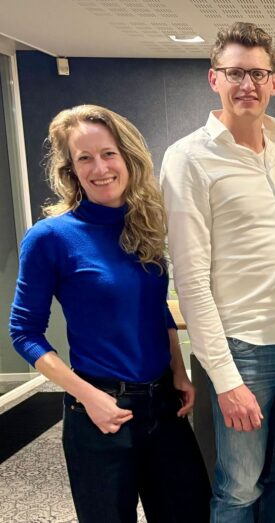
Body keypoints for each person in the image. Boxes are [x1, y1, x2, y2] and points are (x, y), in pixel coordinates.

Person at [8, 104, 210, 522]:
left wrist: (178, 370)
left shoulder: (145, 225)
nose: (99, 168)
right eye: (85, 158)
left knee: (191, 513)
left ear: (128, 157)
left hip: (163, 405)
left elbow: (155, 307)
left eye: (108, 154)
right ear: (71, 169)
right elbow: (24, 333)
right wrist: (89, 396)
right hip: (100, 411)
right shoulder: (50, 237)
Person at [160, 22, 275, 522]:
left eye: (257, 73)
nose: (246, 84)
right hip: (243, 350)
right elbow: (191, 281)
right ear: (215, 78)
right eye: (235, 73)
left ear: (274, 81)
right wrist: (226, 380)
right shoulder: (188, 159)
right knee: (238, 488)